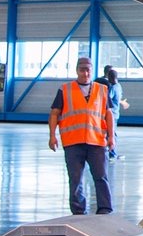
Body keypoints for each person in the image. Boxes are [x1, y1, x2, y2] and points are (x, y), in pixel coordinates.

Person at [48, 56, 114, 216]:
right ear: (77, 70)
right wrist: (52, 136)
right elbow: (55, 113)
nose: (85, 73)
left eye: (88, 70)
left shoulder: (102, 89)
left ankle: (105, 209)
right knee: (75, 179)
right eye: (82, 70)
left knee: (101, 177)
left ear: (92, 71)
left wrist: (111, 137)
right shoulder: (65, 89)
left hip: (97, 142)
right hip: (73, 142)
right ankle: (78, 211)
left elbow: (108, 114)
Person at [99, 64, 124, 160]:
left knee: (110, 133)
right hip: (115, 113)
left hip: (110, 114)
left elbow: (107, 99)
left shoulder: (112, 88)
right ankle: (111, 152)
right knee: (112, 133)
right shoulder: (119, 86)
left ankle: (111, 153)